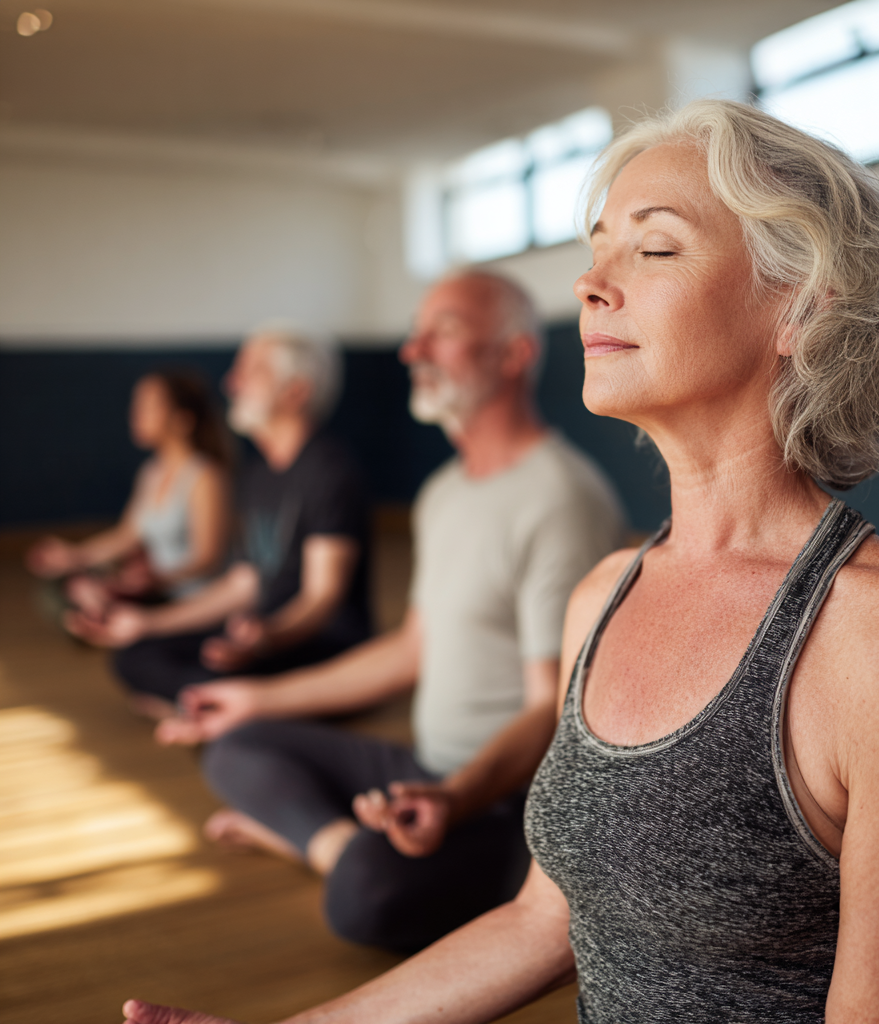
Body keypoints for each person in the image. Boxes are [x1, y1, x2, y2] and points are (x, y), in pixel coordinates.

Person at [123, 100, 879, 1024]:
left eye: (654, 249)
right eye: (597, 247)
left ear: (799, 308)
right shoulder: (605, 596)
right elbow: (543, 924)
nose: (590, 281)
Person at [155, 271, 625, 953]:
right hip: (426, 769)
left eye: (445, 332)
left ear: (514, 354)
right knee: (238, 742)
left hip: (500, 804)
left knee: (361, 900)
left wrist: (456, 799)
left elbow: (553, 709)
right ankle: (341, 841)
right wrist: (254, 697)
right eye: (414, 333)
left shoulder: (560, 497)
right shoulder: (442, 493)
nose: (413, 351)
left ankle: (324, 844)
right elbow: (411, 650)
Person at [71, 329, 371, 720]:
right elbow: (241, 584)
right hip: (258, 632)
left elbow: (322, 597)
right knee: (137, 653)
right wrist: (149, 622)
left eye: (252, 371)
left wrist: (267, 637)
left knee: (178, 671)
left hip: (316, 646)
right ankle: (227, 711)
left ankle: (244, 710)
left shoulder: (329, 472)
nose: (232, 382)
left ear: (296, 392)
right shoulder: (258, 473)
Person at [26, 370, 232, 615]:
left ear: (182, 419)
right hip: (157, 589)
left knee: (85, 598)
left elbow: (208, 559)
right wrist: (75, 556)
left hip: (191, 600)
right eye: (136, 404)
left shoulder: (205, 476)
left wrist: (156, 579)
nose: (136, 414)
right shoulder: (151, 472)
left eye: (148, 406)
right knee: (60, 587)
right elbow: (127, 535)